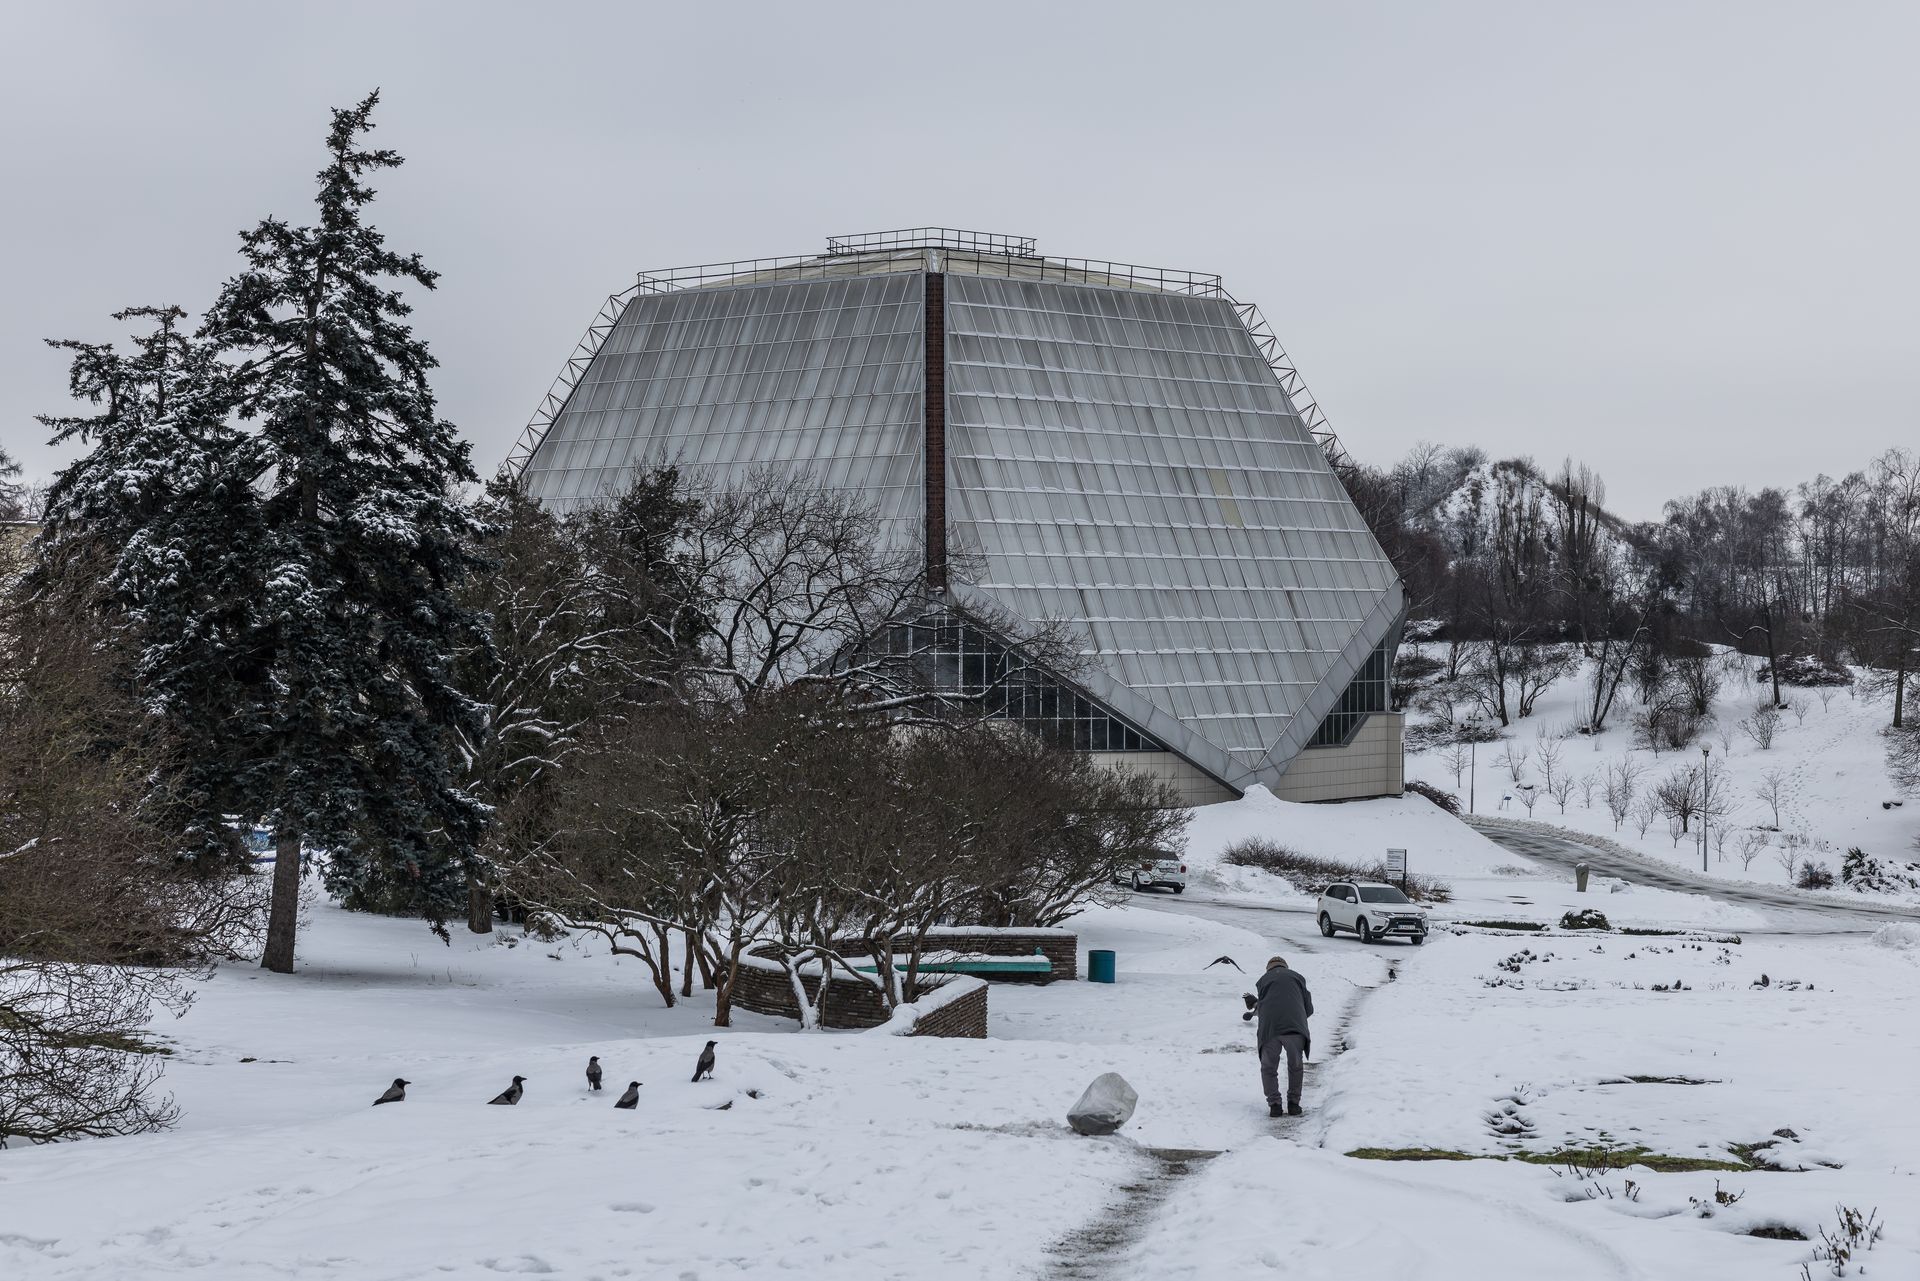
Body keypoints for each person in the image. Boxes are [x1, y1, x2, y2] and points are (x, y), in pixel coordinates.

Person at [1249, 955, 1313, 1117]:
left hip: (1270, 1030)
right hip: (1294, 1028)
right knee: (1295, 1066)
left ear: (1268, 969)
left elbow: (1262, 1007)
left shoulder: (1263, 981)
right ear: (1286, 967)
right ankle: (1293, 1104)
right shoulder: (1298, 978)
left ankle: (1275, 1105)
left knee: (1269, 1067)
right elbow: (1309, 1009)